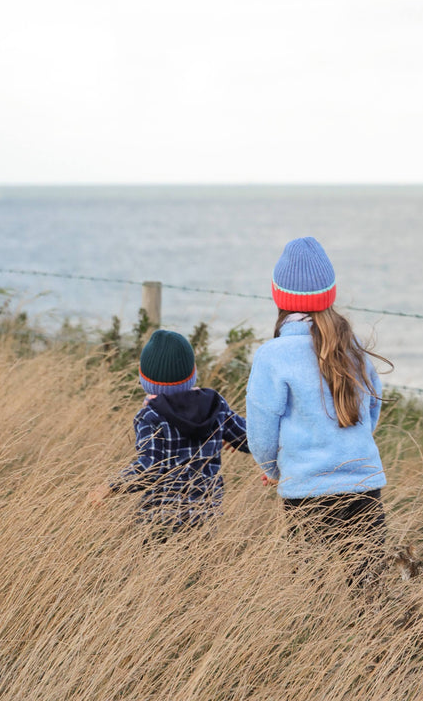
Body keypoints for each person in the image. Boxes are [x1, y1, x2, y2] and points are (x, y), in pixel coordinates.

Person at [246, 237, 390, 587]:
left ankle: (323, 643)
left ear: (277, 294)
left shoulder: (272, 355)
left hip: (306, 491)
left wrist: (274, 470)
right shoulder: (351, 347)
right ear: (331, 292)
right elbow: (371, 411)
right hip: (363, 485)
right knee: (373, 590)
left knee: (309, 594)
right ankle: (380, 640)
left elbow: (261, 433)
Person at [88, 328, 249, 535]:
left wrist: (111, 486)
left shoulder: (150, 415)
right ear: (193, 372)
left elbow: (149, 467)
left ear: (143, 377)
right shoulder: (214, 405)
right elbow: (249, 438)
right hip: (205, 517)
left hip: (161, 520)